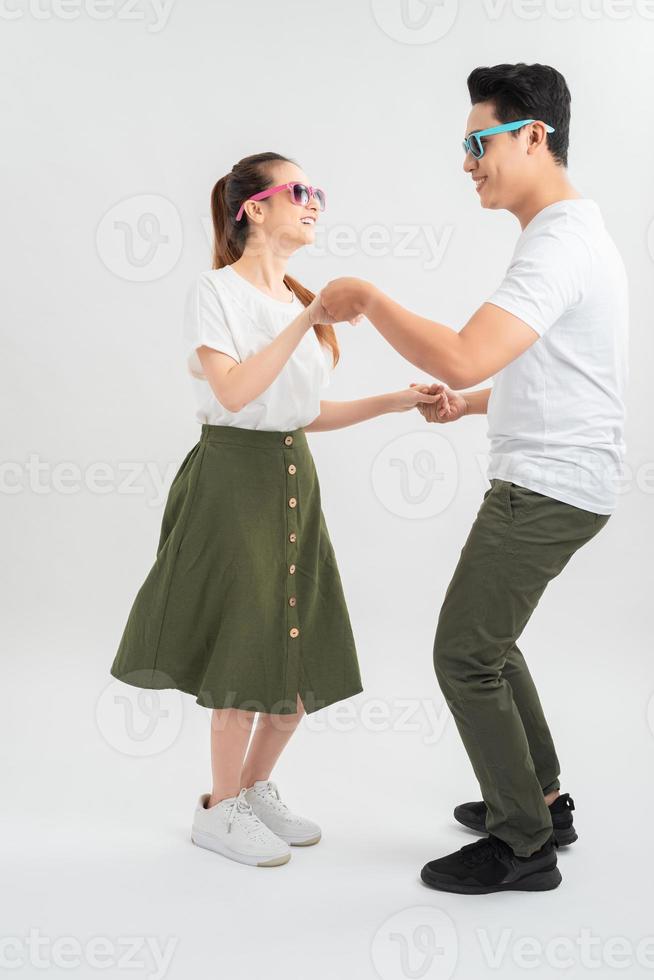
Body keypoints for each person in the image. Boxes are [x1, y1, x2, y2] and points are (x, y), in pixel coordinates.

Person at [320, 63, 629, 894]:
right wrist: (474, 404)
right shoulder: (567, 235)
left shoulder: (561, 239)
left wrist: (368, 299)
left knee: (463, 656)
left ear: (534, 136)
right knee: (492, 644)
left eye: (478, 142)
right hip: (563, 475)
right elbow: (562, 369)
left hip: (549, 486)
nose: (467, 163)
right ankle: (546, 800)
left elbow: (459, 348)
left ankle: (524, 846)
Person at [110, 151, 440, 869]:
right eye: (300, 191)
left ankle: (254, 791)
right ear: (254, 209)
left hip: (293, 475)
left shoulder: (298, 299)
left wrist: (394, 402)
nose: (315, 201)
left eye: (318, 191)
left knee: (295, 655)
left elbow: (299, 412)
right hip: (232, 480)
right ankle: (218, 808)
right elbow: (233, 395)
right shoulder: (216, 291)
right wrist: (309, 319)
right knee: (244, 645)